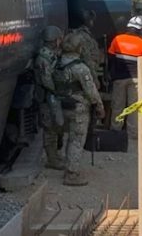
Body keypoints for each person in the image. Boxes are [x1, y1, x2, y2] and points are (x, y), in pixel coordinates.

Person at [53, 32, 105, 186]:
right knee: (76, 140)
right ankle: (72, 174)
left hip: (58, 105)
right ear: (80, 48)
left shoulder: (56, 63)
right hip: (78, 108)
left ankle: (58, 160)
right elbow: (91, 91)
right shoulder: (81, 68)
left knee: (62, 136)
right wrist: (99, 107)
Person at [107, 16, 142, 139]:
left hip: (119, 78)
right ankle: (132, 134)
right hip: (136, 79)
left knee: (117, 105)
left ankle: (115, 131)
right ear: (139, 30)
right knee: (134, 107)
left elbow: (110, 58)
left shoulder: (117, 39)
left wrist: (111, 74)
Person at [34, 26, 65, 170]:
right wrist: (59, 90)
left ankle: (54, 156)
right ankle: (52, 159)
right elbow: (47, 81)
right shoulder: (45, 58)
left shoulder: (48, 54)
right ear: (55, 41)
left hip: (50, 96)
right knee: (50, 129)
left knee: (55, 126)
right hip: (48, 97)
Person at [73, 10, 102, 88]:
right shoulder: (83, 36)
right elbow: (87, 58)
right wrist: (94, 79)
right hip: (87, 71)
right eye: (91, 20)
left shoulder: (84, 34)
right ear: (87, 21)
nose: (93, 23)